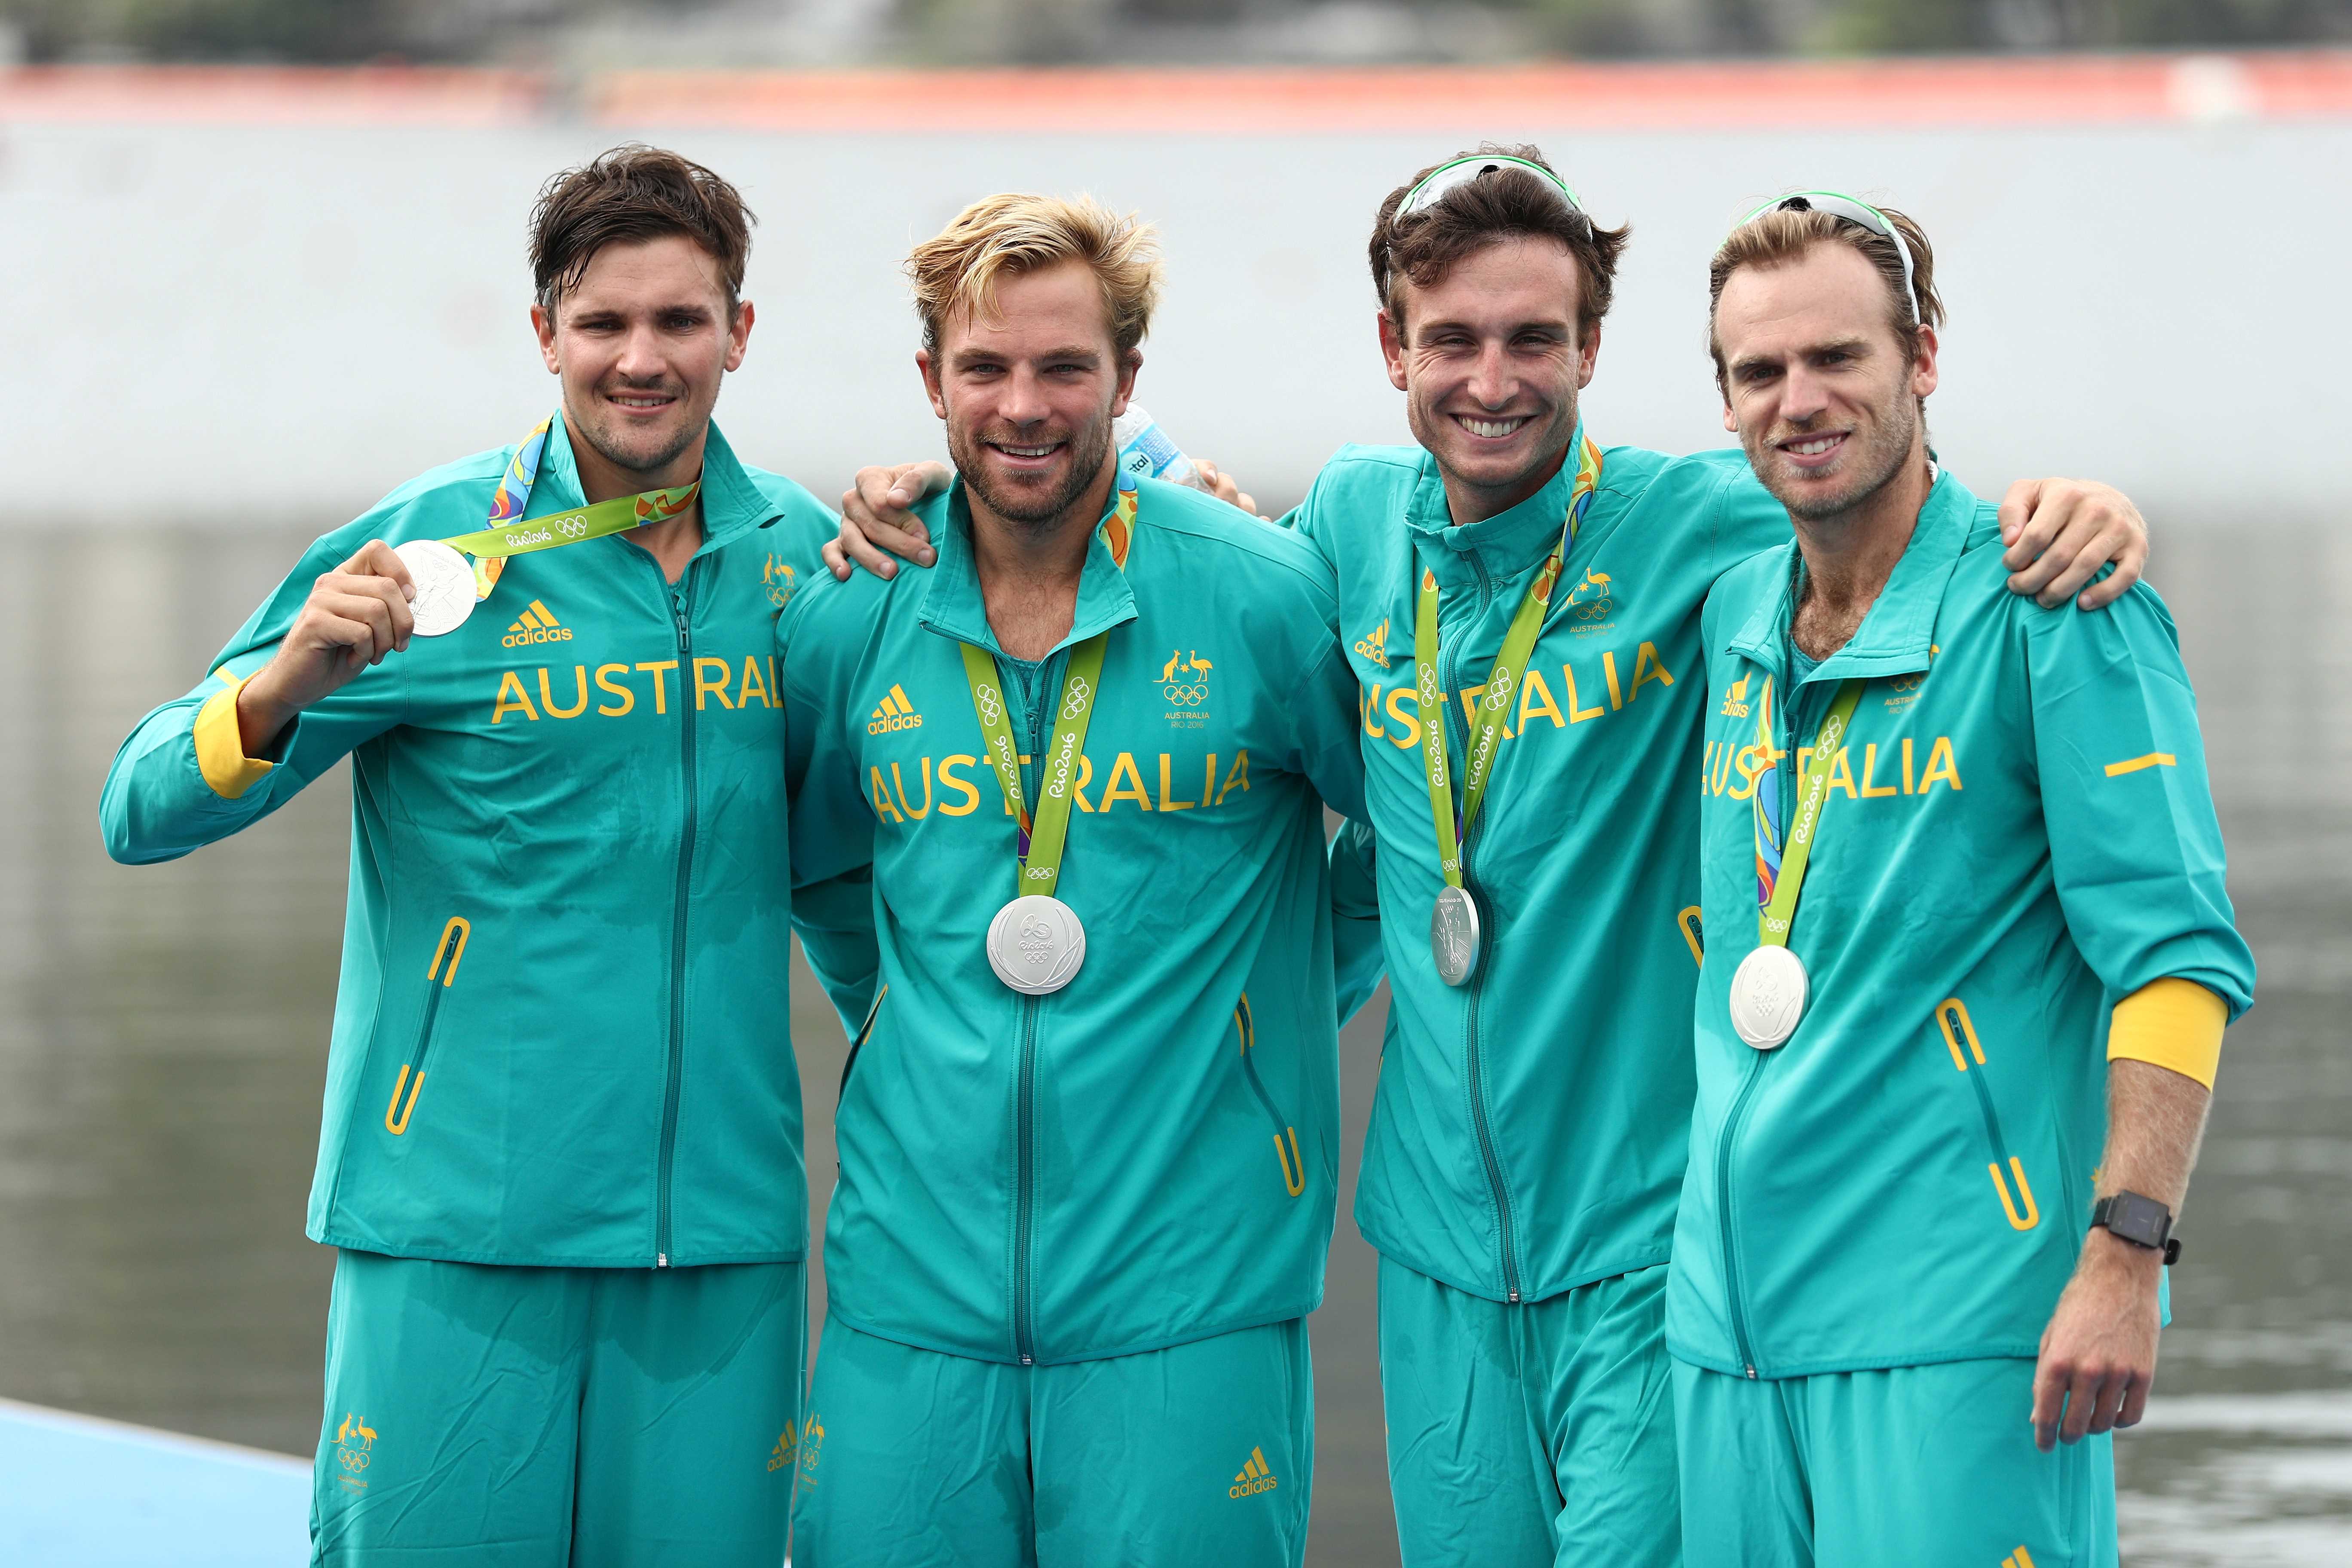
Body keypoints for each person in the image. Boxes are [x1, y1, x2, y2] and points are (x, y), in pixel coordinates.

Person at [823, 149, 2153, 1568]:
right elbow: (1134, 524)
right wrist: (909, 488)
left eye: (1534, 339)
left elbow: (1858, 468)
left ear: (1591, 347)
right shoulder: (1340, 526)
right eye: (1451, 339)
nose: (1492, 380)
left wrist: (2069, 504)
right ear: (1392, 347)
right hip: (1433, 1252)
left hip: (1651, 1250)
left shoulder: (1700, 521)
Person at [98, 146, 836, 1567]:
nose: (641, 360)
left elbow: (868, 875)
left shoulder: (806, 562)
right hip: (456, 1227)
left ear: (741, 335)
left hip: (722, 1238)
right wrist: (286, 681)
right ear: (544, 333)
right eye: (603, 323)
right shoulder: (432, 556)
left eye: (681, 321)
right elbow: (139, 809)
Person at [777, 192, 1366, 1568]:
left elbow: (1409, 837)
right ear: (931, 383)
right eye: (984, 368)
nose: (1023, 405)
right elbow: (819, 866)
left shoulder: (1262, 592)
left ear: (1128, 380)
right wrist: (908, 1013)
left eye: (1064, 367)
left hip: (1193, 1297)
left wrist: (1256, 1018)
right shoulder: (855, 609)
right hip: (907, 1300)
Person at [1673, 194, 2254, 1567]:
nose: (1800, 400)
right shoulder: (1733, 620)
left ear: (1921, 359)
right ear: (1727, 399)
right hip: (1726, 1339)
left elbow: (2177, 960)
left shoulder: (2057, 606)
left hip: (1960, 1332)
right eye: (1759, 372)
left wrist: (2125, 1261)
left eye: (1839, 359)